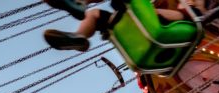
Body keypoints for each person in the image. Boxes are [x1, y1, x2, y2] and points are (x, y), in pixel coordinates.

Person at [43, 0, 205, 52]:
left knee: (148, 12)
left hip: (175, 21)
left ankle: (80, 1)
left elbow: (200, 13)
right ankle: (79, 37)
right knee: (94, 15)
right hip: (143, 21)